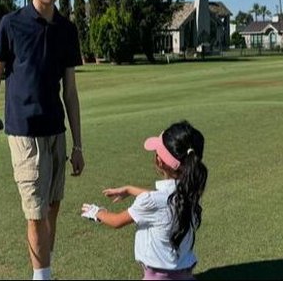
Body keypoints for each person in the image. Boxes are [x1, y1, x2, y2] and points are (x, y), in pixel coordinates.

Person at [0, 0, 85, 280]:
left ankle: (43, 267)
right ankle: (42, 276)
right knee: (36, 212)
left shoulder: (67, 30)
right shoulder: (11, 25)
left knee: (52, 206)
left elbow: (69, 90)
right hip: (24, 134)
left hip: (56, 131)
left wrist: (78, 145)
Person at [81, 120, 208, 280]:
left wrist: (96, 212)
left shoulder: (152, 201)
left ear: (159, 161)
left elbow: (116, 221)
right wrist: (130, 189)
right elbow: (164, 199)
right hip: (186, 275)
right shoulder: (192, 193)